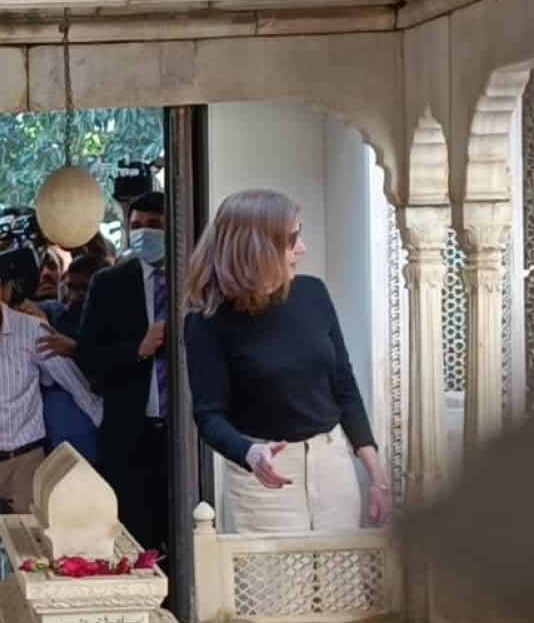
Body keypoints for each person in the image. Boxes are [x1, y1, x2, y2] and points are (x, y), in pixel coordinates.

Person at [183, 188, 390, 532]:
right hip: (263, 480)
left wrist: (377, 477)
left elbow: (344, 386)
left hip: (332, 465)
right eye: (292, 239)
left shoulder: (313, 293)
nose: (302, 248)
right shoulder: (208, 320)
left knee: (340, 584)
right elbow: (209, 415)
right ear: (256, 248)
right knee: (274, 587)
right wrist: (250, 454)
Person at [0, 254, 102, 595]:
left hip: (25, 460)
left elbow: (76, 386)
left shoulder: (31, 330)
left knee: (29, 553)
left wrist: (102, 435)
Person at [77, 192, 173, 555]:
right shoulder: (109, 283)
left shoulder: (196, 279)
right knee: (135, 541)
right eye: (136, 227)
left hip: (184, 436)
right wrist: (137, 349)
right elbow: (88, 356)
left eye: (154, 226)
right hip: (130, 434)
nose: (144, 233)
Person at [37, 253, 106, 465]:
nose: (76, 296)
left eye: (84, 288)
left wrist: (77, 349)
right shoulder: (57, 315)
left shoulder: (111, 322)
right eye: (71, 288)